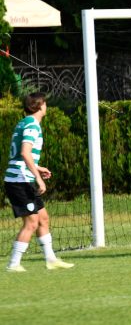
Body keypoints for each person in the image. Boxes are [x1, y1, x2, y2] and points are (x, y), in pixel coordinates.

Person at [5, 93, 74, 272]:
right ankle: (13, 264)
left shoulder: (24, 122)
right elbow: (24, 152)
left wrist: (37, 167)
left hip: (23, 177)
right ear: (40, 106)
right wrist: (37, 177)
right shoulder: (32, 125)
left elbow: (20, 156)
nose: (46, 106)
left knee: (43, 218)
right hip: (19, 181)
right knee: (32, 222)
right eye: (45, 103)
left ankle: (51, 260)